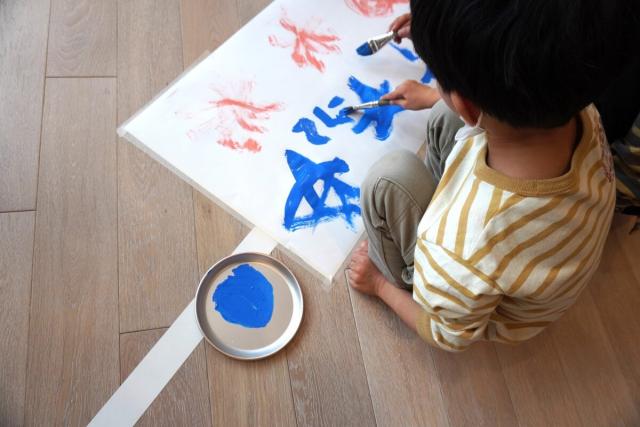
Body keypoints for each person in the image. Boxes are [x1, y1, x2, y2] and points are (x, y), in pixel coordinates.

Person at [346, 0, 634, 351]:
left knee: (387, 180)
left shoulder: (462, 250)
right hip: (540, 236)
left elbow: (445, 334)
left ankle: (404, 278)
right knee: (442, 117)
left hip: (474, 282)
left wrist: (379, 286)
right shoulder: (581, 108)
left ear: (467, 105)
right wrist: (440, 92)